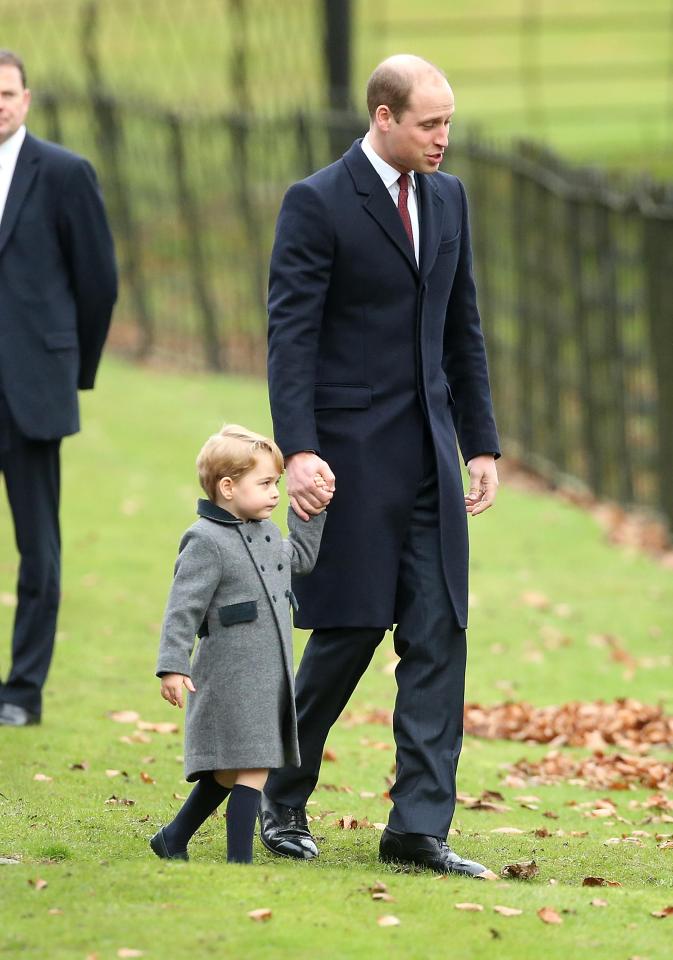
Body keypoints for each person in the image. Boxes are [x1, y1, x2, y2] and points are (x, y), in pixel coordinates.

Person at [261, 55, 500, 877]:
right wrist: (296, 451)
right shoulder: (316, 202)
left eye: (449, 122)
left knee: (438, 635)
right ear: (382, 116)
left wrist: (481, 442)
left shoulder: (450, 198)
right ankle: (277, 797)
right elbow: (289, 338)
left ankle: (417, 828)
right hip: (348, 463)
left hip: (433, 458)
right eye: (430, 123)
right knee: (349, 631)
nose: (443, 138)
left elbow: (460, 328)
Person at [0, 50, 117, 727]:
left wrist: (72, 368)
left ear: (27, 98)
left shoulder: (66, 174)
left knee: (37, 549)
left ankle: (22, 692)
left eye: (8, 92)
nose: (1, 103)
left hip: (33, 390)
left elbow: (98, 282)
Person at [151, 424, 328, 864]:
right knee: (253, 767)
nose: (274, 494)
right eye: (265, 484)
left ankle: (173, 838)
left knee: (229, 771)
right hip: (230, 677)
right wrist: (173, 665)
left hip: (268, 678)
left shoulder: (266, 533)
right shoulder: (205, 540)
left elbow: (300, 560)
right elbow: (182, 609)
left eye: (277, 484)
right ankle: (239, 863)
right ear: (227, 487)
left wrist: (312, 511)